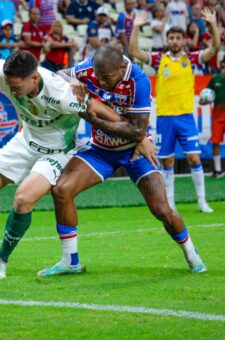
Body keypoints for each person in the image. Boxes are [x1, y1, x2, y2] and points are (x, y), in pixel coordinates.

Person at [0, 50, 145, 280]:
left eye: (16, 87)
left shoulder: (61, 93)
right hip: (26, 142)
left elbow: (102, 110)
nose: (12, 91)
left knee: (23, 199)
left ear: (34, 78)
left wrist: (140, 137)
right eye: (9, 86)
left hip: (57, 152)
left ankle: (0, 259)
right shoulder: (5, 73)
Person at [39, 45, 207, 277]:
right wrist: (72, 82)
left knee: (161, 209)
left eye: (106, 77)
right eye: (97, 76)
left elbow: (137, 132)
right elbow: (58, 75)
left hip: (136, 151)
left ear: (121, 68)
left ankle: (191, 253)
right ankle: (70, 261)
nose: (100, 81)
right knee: (61, 190)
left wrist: (92, 118)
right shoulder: (91, 68)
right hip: (101, 150)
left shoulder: (139, 80)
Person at [129, 10, 219, 213]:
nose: (175, 41)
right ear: (167, 40)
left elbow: (215, 48)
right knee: (167, 161)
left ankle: (202, 201)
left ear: (184, 40)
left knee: (194, 158)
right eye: (171, 37)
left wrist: (212, 24)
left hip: (186, 117)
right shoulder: (159, 59)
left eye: (178, 38)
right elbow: (134, 51)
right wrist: (136, 26)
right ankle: (170, 202)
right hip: (165, 118)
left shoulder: (193, 58)